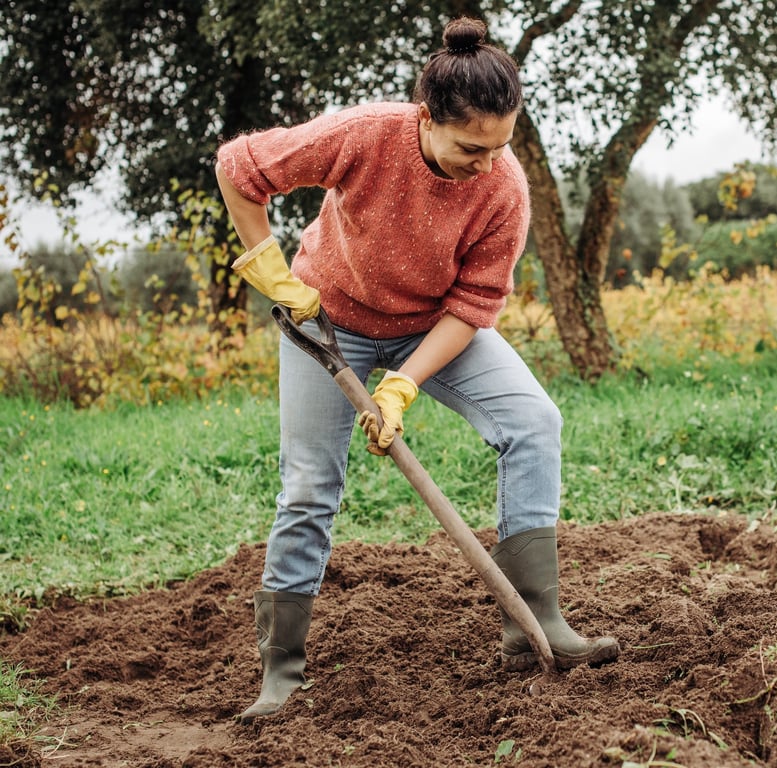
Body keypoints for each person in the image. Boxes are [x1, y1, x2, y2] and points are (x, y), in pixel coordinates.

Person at [215, 17, 620, 723]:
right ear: (426, 118)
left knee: (533, 421)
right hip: (325, 324)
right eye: (471, 146)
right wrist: (273, 273)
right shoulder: (368, 133)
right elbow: (240, 168)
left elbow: (472, 305)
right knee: (310, 485)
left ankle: (536, 623)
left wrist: (403, 383)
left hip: (431, 328)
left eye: (501, 146)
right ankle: (281, 670)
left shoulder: (504, 190)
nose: (487, 163)